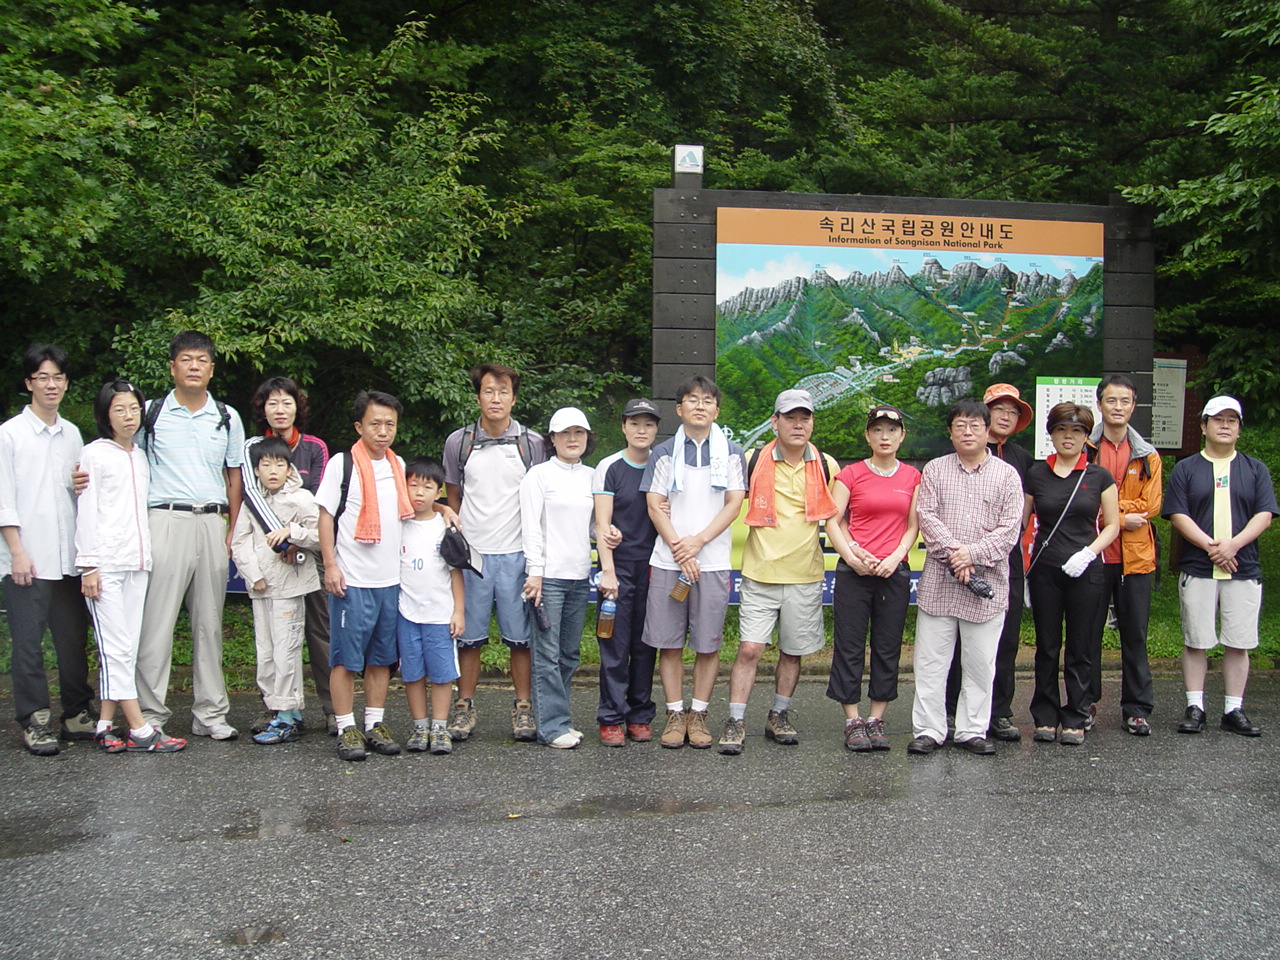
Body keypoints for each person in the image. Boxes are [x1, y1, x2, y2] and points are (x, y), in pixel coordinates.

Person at [135, 330, 246, 739]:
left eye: (202, 360)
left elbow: (234, 474)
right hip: (164, 520)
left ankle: (211, 714)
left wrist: (233, 527)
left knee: (209, 624)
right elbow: (124, 458)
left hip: (212, 522)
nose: (194, 366)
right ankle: (150, 715)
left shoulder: (227, 416)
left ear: (212, 369)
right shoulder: (150, 412)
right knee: (157, 623)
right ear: (172, 366)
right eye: (186, 359)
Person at [718, 389, 839, 755]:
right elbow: (726, 505)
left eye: (805, 417)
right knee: (751, 649)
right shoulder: (753, 459)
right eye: (790, 417)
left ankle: (778, 714)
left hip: (805, 574)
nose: (798, 424)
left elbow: (838, 519)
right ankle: (735, 719)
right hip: (759, 572)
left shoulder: (827, 465)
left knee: (792, 651)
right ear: (776, 421)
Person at [76, 380, 187, 753]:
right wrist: (88, 565)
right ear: (105, 414)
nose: (129, 416)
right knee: (117, 648)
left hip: (138, 563)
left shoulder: (139, 454)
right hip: (105, 563)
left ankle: (105, 724)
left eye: (134, 408)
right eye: (119, 409)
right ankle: (140, 729)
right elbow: (86, 509)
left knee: (125, 646)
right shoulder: (94, 454)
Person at [909, 398, 1023, 756]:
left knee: (979, 663)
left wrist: (970, 555)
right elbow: (926, 518)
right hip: (940, 584)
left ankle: (972, 729)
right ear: (950, 431)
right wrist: (957, 556)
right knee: (930, 662)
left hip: (985, 585)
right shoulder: (935, 470)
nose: (968, 432)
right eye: (960, 425)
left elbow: (1009, 530)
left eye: (975, 425)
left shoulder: (1006, 475)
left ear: (988, 431)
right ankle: (929, 729)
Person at [640, 375, 746, 749]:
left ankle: (698, 713)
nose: (699, 406)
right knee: (668, 643)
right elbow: (654, 504)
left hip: (713, 561)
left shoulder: (732, 452)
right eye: (692, 400)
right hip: (669, 561)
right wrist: (679, 548)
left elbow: (733, 503)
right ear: (679, 408)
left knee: (707, 643)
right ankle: (673, 713)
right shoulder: (663, 453)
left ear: (717, 410)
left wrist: (698, 542)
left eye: (707, 401)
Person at [443, 364, 547, 742]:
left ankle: (522, 709)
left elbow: (540, 497)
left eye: (503, 392)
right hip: (473, 558)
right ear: (478, 397)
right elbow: (454, 496)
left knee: (520, 639)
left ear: (514, 399)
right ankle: (464, 707)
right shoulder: (459, 441)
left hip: (517, 554)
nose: (496, 398)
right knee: (469, 638)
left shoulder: (531, 443)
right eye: (489, 391)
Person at [1, 345, 93, 756]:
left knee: (73, 640)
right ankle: (35, 720)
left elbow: (76, 494)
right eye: (43, 377)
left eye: (57, 377)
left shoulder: (72, 433)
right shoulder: (9, 434)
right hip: (28, 557)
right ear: (29, 383)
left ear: (66, 383)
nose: (51, 384)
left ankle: (76, 713)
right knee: (28, 644)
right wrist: (16, 551)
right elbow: (3, 497)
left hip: (67, 558)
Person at [1165, 396, 1276, 737]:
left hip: (1243, 567)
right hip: (1199, 565)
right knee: (1196, 638)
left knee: (1238, 640)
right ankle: (1195, 706)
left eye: (1232, 420)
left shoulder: (1255, 469)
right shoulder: (1186, 468)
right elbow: (1178, 514)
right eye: (1217, 419)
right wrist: (1212, 547)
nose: (1225, 425)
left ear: (1240, 429)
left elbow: (1265, 514)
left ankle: (1233, 708)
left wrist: (1233, 545)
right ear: (1203, 426)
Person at [316, 391, 412, 761]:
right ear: (359, 426)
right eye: (375, 424)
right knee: (344, 659)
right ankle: (345, 727)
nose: (383, 431)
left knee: (381, 658)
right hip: (352, 580)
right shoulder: (343, 465)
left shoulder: (397, 464)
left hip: (390, 580)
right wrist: (330, 564)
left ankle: (374, 724)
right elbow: (326, 516)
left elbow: (411, 506)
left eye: (390, 424)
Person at [241, 376, 334, 736]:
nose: (280, 410)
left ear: (298, 406)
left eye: (287, 402)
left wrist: (294, 540)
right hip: (274, 555)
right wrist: (276, 543)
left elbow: (321, 503)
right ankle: (279, 709)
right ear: (262, 409)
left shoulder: (315, 447)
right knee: (276, 636)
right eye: (272, 403)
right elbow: (250, 496)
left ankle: (331, 708)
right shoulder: (253, 449)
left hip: (311, 550)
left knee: (319, 633)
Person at [1023, 403, 1119, 746]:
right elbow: (1024, 524)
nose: (1069, 437)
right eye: (1062, 430)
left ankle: (1077, 715)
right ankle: (1045, 716)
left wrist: (1088, 552)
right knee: (1047, 647)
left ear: (1086, 437)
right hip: (1045, 572)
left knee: (1080, 646)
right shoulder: (1036, 474)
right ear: (1051, 434)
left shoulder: (1099, 477)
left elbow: (1113, 525)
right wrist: (1024, 571)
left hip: (1086, 570)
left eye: (1076, 431)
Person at [824, 405, 919, 752]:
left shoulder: (912, 477)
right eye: (877, 430)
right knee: (849, 646)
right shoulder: (850, 475)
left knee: (887, 646)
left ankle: (876, 718)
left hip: (893, 572)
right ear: (867, 436)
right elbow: (834, 520)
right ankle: (853, 719)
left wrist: (895, 558)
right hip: (855, 571)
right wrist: (851, 555)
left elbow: (913, 526)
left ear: (902, 436)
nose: (884, 437)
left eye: (891, 431)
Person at [945, 383, 1034, 741]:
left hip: (1004, 559)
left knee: (1006, 638)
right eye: (999, 409)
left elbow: (1023, 511)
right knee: (956, 639)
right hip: (956, 559)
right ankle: (953, 712)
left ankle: (998, 712)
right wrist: (962, 553)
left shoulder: (1022, 458)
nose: (1006, 416)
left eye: (1013, 412)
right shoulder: (954, 455)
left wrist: (997, 542)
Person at [230, 436, 320, 745]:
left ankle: (288, 714)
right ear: (255, 470)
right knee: (265, 650)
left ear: (289, 467)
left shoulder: (302, 499)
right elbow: (239, 541)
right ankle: (280, 710)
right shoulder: (251, 503)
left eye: (279, 464)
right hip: (261, 588)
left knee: (287, 650)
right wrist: (252, 575)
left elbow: (322, 535)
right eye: (265, 464)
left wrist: (293, 532)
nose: (272, 470)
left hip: (290, 587)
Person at [1087, 374, 1161, 735]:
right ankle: (1085, 704)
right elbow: (1077, 499)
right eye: (1111, 401)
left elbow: (1152, 505)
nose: (1118, 407)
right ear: (1099, 403)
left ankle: (1137, 708)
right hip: (1095, 554)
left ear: (1134, 405)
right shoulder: (1085, 448)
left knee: (1135, 634)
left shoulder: (1148, 454)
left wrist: (1106, 508)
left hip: (1136, 559)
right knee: (1088, 634)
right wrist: (1118, 515)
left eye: (1125, 401)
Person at [520, 408, 597, 748]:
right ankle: (551, 727)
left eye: (578, 433)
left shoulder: (593, 476)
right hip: (548, 579)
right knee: (547, 655)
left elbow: (595, 524)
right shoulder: (538, 476)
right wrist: (535, 573)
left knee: (569, 654)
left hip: (580, 576)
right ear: (551, 439)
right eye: (565, 433)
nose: (572, 439)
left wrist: (611, 534)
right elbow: (531, 527)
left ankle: (560, 718)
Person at [592, 398, 662, 746]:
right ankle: (611, 717)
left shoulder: (663, 465)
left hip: (654, 568)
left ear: (656, 429)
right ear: (623, 427)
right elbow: (603, 525)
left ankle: (640, 714)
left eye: (648, 424)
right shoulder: (609, 467)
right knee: (615, 646)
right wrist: (608, 573)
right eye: (634, 423)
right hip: (618, 569)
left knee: (646, 644)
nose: (641, 430)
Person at [398, 458, 465, 755]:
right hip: (406, 613)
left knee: (441, 674)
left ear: (438, 492)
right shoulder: (396, 524)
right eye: (413, 485)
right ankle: (419, 725)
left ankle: (439, 726)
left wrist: (458, 611)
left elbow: (455, 573)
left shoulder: (445, 528)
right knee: (412, 673)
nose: (419, 493)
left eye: (427, 487)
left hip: (439, 614)